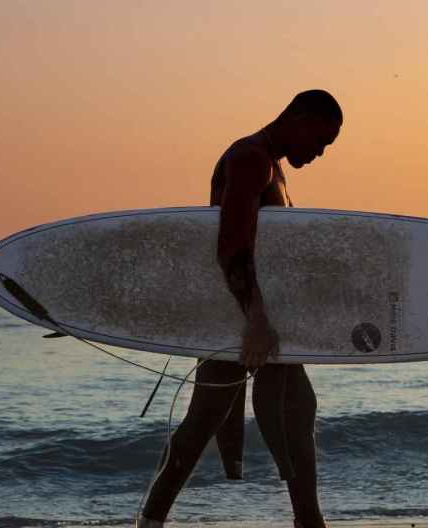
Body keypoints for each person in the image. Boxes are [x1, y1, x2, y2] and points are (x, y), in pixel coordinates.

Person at [139, 90, 342, 528]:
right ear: (300, 118)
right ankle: (151, 519)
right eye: (321, 140)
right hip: (246, 317)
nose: (321, 152)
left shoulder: (272, 166)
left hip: (253, 316)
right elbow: (231, 244)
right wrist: (255, 319)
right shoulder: (252, 159)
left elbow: (272, 253)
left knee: (284, 416)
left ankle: (151, 520)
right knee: (208, 425)